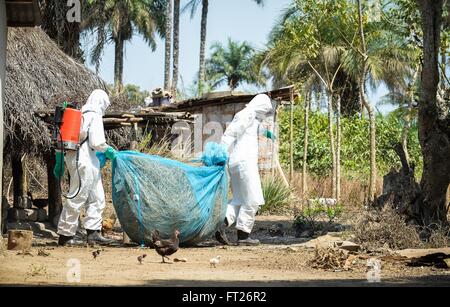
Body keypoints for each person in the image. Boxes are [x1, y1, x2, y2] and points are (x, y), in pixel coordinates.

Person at [54, 89, 117, 246]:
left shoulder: (80, 115)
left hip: (83, 161)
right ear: (102, 102)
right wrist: (108, 150)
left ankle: (93, 233)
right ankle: (65, 235)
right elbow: (96, 142)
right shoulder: (94, 115)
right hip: (84, 163)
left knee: (98, 198)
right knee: (77, 197)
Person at [216, 94, 275, 246]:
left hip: (239, 163)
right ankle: (243, 237)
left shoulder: (253, 117)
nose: (265, 114)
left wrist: (267, 133)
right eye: (265, 110)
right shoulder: (246, 114)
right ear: (260, 105)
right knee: (253, 199)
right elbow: (231, 133)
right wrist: (221, 151)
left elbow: (255, 129)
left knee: (239, 200)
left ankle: (220, 225)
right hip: (244, 163)